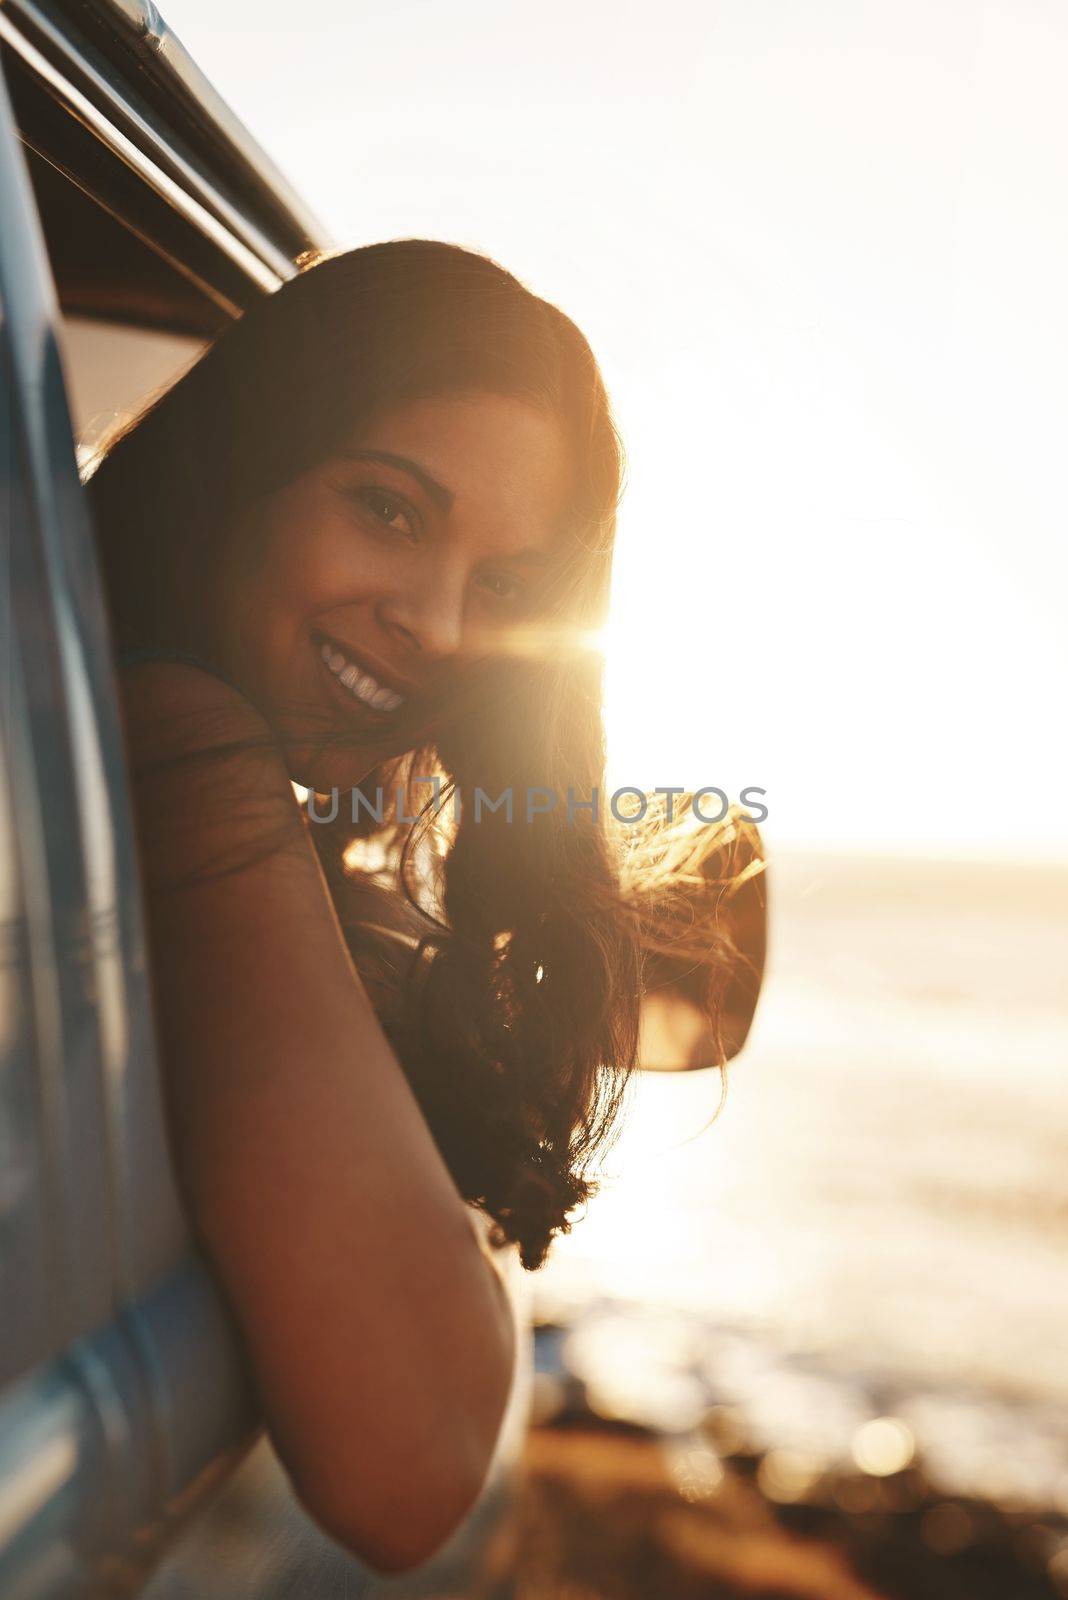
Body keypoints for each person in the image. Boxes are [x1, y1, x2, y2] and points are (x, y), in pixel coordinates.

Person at [85, 239, 764, 1573]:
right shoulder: (179, 737)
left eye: (506, 586)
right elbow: (419, 1466)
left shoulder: (116, 735)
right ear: (244, 467)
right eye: (390, 510)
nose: (442, 626)